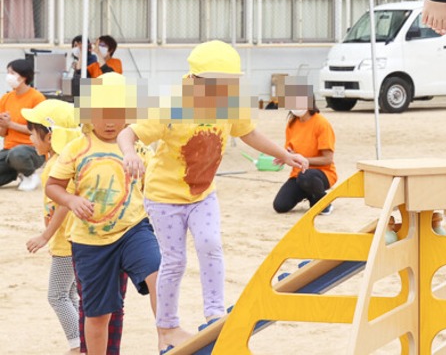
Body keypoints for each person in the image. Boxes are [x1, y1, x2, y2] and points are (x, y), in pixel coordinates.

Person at [117, 40, 308, 352]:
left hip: (202, 195)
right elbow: (129, 133)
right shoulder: (172, 106)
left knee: (210, 244)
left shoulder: (229, 104)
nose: (222, 93)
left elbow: (248, 133)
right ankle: (166, 327)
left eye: (228, 87)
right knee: (175, 261)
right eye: (216, 86)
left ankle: (215, 313)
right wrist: (130, 154)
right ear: (193, 81)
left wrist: (284, 155)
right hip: (164, 196)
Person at [46, 73, 162, 355]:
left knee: (159, 272)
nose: (110, 122)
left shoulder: (139, 149)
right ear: (88, 113)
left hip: (133, 230)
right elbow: (53, 186)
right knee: (99, 315)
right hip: (90, 243)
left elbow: (155, 189)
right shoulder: (77, 148)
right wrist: (72, 200)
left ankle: (166, 332)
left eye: (118, 114)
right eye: (102, 114)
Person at [24, 98, 83, 354]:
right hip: (73, 240)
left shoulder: (55, 167)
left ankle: (78, 345)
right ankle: (85, 340)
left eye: (33, 135)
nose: (31, 140)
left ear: (50, 136)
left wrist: (46, 235)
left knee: (57, 296)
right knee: (70, 295)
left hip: (65, 242)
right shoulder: (68, 160)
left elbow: (63, 205)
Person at [272, 77, 337, 215]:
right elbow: (290, 151)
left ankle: (322, 200)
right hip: (298, 174)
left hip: (322, 173)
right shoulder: (292, 124)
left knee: (306, 177)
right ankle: (309, 193)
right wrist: (284, 156)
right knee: (280, 205)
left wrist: (305, 159)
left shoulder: (321, 123)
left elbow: (328, 159)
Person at [0, 57, 47, 190]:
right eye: (8, 72)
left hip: (32, 149)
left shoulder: (37, 98)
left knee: (17, 153)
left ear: (24, 76)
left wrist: (11, 124)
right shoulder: (5, 98)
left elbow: (40, 130)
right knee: (13, 154)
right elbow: (3, 133)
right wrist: (3, 124)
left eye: (12, 73)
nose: (9, 76)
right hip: (8, 149)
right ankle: (15, 171)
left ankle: (29, 174)